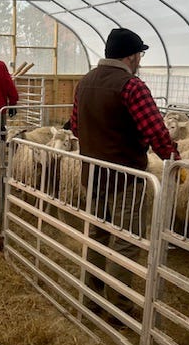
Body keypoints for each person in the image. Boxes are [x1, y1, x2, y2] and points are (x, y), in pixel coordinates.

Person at [70, 27, 181, 321]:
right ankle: (119, 307)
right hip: (125, 178)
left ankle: (91, 298)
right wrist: (174, 161)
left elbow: (76, 127)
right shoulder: (132, 86)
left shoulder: (85, 83)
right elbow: (156, 132)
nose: (140, 60)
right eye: (140, 54)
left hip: (93, 174)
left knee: (98, 234)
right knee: (126, 238)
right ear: (131, 56)